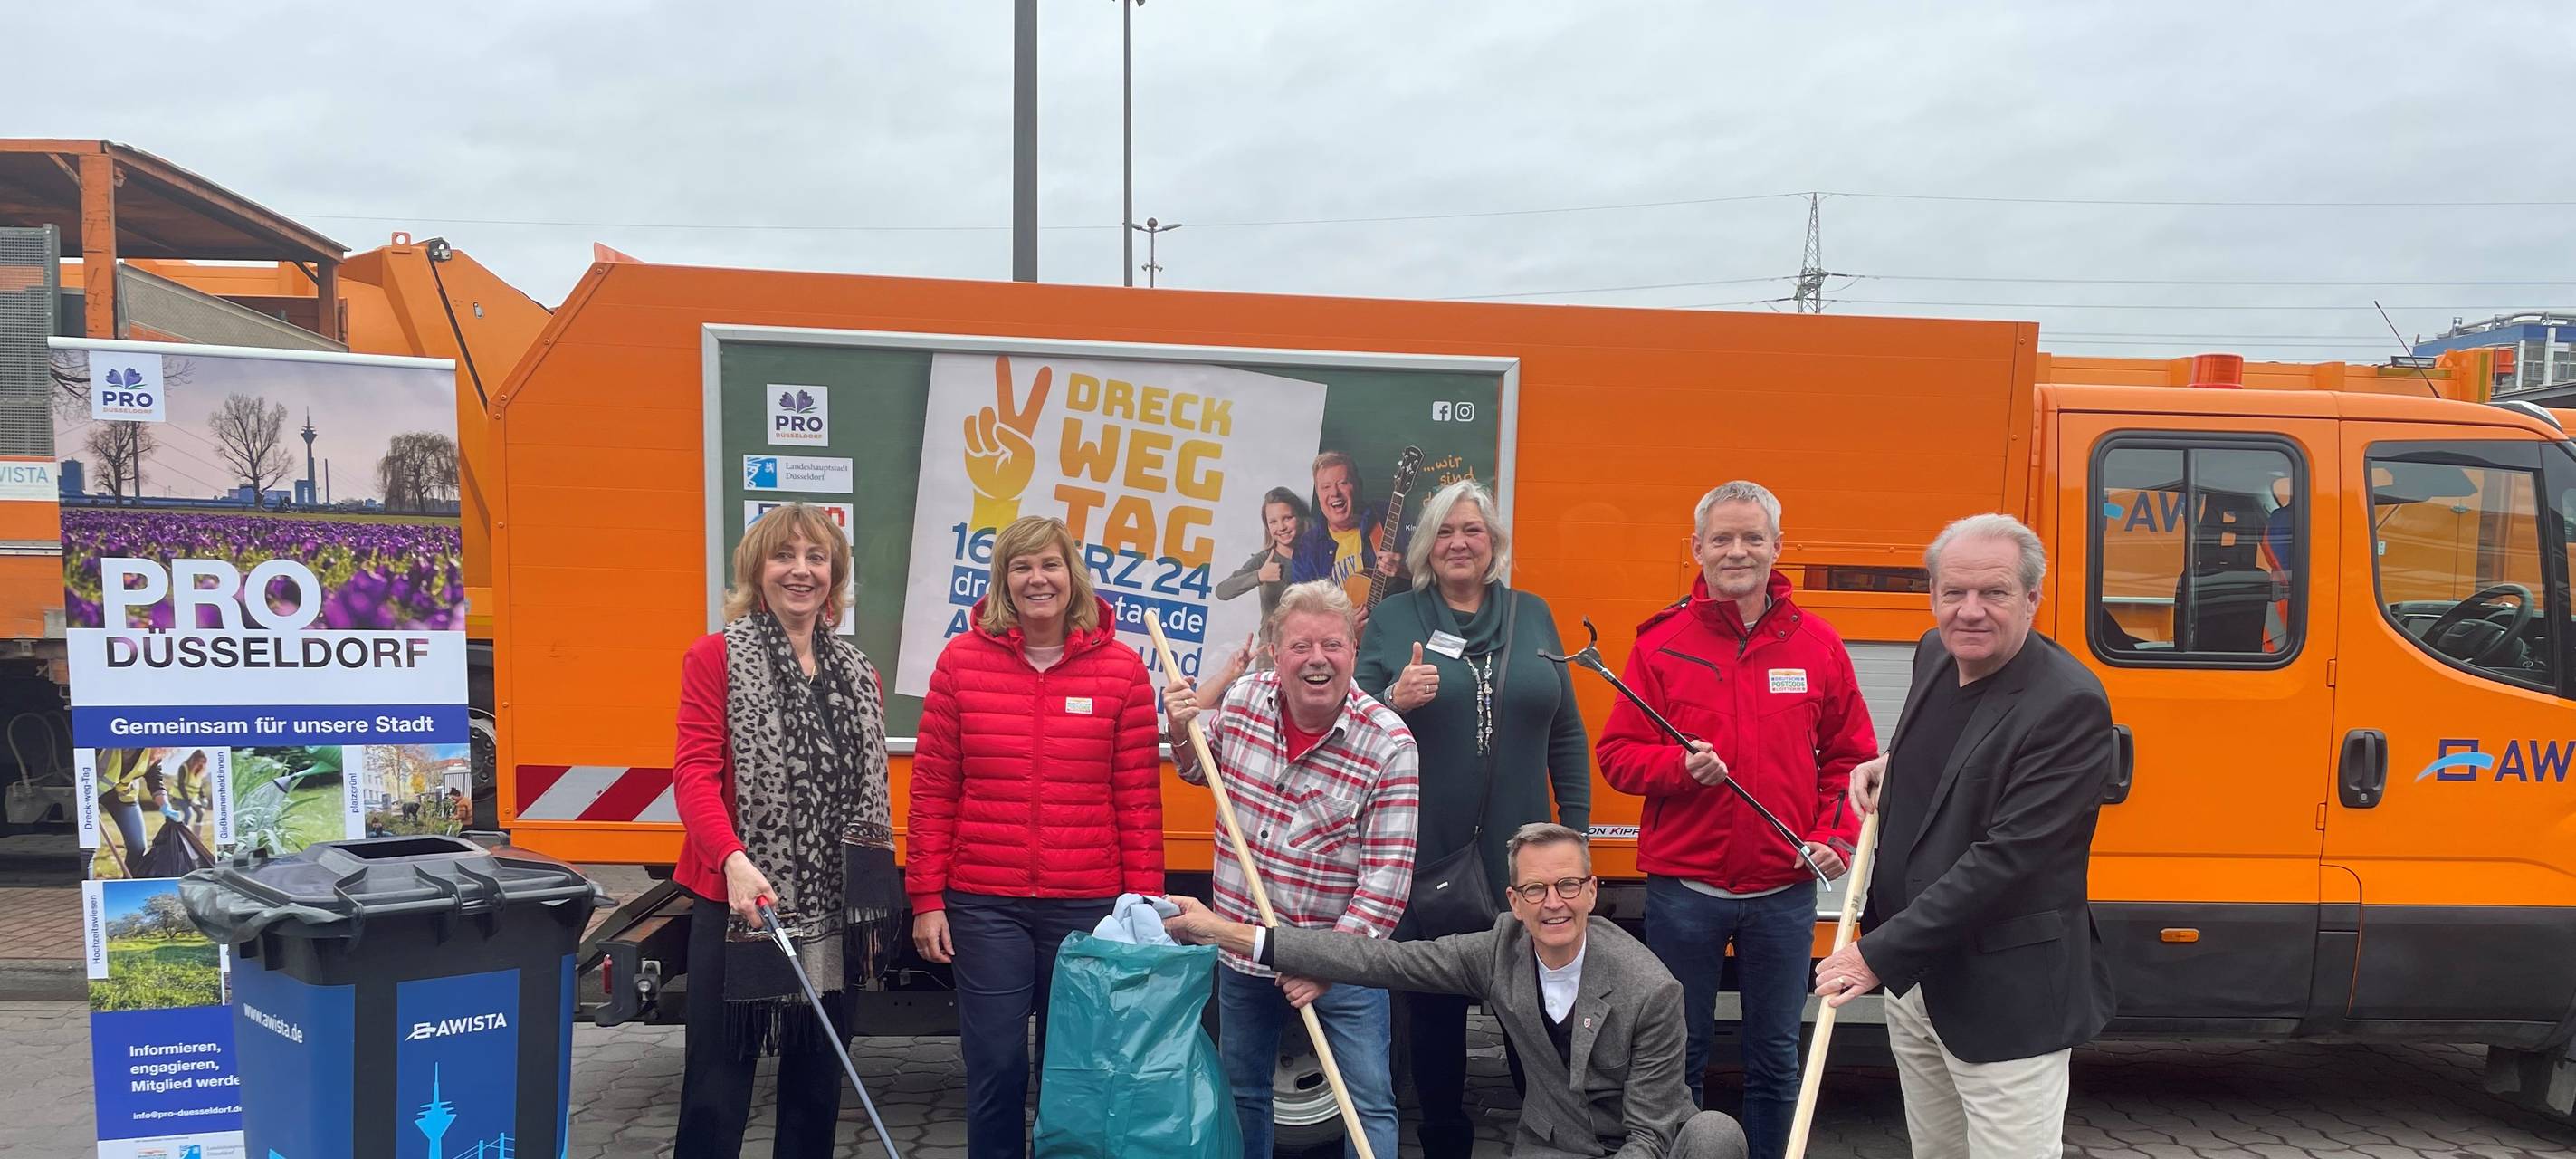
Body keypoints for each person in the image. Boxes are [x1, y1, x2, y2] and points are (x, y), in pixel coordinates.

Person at [1161, 824, 1749, 1159]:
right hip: (1555, 1145)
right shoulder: (1496, 953)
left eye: (1569, 885)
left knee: (1716, 1134)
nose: (1555, 903)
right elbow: (1378, 958)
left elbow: (1649, 1135)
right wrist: (1222, 930)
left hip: (1651, 1150)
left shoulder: (1652, 989)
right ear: (1514, 903)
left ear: (1593, 892)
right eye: (1537, 890)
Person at [1814, 512, 2118, 1159]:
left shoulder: (2069, 704)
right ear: (1933, 595)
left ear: (2033, 598)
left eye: (1994, 593)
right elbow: (1955, 763)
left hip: (2006, 996)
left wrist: (1875, 954)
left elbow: (2007, 860)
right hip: (1919, 981)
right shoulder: (1935, 651)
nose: (1970, 612)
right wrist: (1888, 768)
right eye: (1954, 592)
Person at [1595, 480, 1875, 1159]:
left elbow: (1854, 760)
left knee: (1777, 1056)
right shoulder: (1661, 644)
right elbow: (1617, 756)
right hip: (1684, 892)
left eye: (1752, 537)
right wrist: (1679, 771)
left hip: (1783, 892)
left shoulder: (1818, 645)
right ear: (1698, 548)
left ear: (1778, 547)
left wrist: (1833, 837)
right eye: (1722, 538)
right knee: (1677, 1055)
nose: (1737, 550)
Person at [907, 515, 1165, 1159]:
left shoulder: (1122, 671)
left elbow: (1137, 800)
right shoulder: (960, 663)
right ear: (1003, 582)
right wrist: (927, 900)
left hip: (1086, 904)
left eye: (1049, 564)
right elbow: (934, 790)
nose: (1036, 579)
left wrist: (1147, 908)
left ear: (1071, 575)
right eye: (1020, 567)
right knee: (995, 1064)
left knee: (1074, 1072)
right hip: (984, 902)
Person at [1352, 477, 1593, 1159]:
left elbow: (1566, 734)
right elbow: (1351, 722)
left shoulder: (1534, 614)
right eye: (1448, 532)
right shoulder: (1398, 619)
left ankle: (1549, 1140)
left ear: (1494, 546)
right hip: (1426, 856)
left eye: (1474, 532)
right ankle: (1445, 1143)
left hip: (1528, 863)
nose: (1461, 543)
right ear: (1429, 544)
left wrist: (1572, 834)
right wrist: (1394, 698)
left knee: (1538, 1016)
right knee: (1433, 1018)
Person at [672, 502, 898, 1159]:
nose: (800, 571)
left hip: (831, 909)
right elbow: (693, 774)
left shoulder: (861, 674)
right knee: (717, 1087)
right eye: (784, 556)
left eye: (816, 558)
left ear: (835, 575)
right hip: (740, 900)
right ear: (756, 570)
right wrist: (733, 860)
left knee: (817, 1084)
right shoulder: (714, 657)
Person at [1161, 580, 1417, 1159]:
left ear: (1353, 650)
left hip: (1338, 956)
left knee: (1367, 1103)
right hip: (1245, 950)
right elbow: (1199, 771)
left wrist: (1326, 964)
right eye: (1301, 646)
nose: (1318, 659)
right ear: (1276, 653)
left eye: (1332, 644)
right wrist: (1181, 729)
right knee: (1242, 1093)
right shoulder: (1246, 701)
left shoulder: (1389, 745)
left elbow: (1385, 885)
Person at [1290, 450, 1405, 604]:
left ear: (1358, 485)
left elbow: (1431, 576)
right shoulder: (1307, 547)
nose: (1335, 493)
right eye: (1325, 487)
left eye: (1343, 483)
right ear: (1318, 494)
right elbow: (1301, 609)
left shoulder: (1387, 517)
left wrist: (1404, 570)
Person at [1216, 486, 1311, 624]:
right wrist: (1260, 576)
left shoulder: (1317, 557)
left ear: (1300, 518)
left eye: (1287, 518)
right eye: (1273, 522)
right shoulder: (1264, 560)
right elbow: (1222, 591)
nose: (1281, 527)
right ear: (1267, 526)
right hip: (1271, 643)